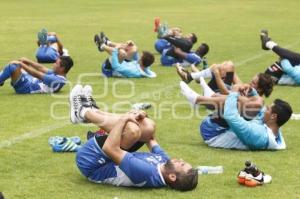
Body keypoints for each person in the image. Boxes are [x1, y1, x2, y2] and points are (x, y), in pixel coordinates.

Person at [69, 85, 198, 191]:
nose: (180, 159)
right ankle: (92, 111)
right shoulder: (165, 163)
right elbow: (150, 138)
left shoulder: (146, 172)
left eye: (181, 164)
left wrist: (126, 118)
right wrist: (142, 116)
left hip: (91, 162)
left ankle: (83, 112)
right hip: (108, 157)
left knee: (132, 130)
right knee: (148, 126)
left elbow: (110, 148)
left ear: (172, 176)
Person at [196, 84, 292, 150]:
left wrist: (234, 92)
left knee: (240, 103)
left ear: (273, 116)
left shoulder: (257, 134)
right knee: (255, 104)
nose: (265, 110)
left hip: (212, 133)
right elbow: (260, 112)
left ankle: (200, 99)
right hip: (222, 129)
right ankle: (210, 96)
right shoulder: (273, 128)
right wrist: (251, 91)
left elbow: (230, 116)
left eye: (268, 109)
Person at [0, 56, 73, 93]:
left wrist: (20, 64)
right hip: (29, 81)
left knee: (12, 67)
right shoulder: (58, 74)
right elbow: (41, 68)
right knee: (17, 65)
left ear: (62, 68)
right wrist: (27, 61)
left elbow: (36, 74)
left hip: (26, 88)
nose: (53, 64)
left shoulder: (56, 80)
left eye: (56, 63)